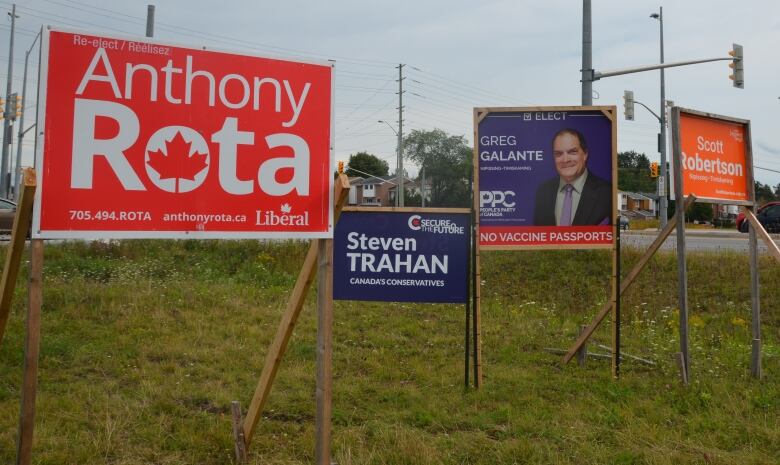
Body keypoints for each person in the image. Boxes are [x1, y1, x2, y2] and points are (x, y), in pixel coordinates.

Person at [533, 128, 612, 226]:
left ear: (585, 154)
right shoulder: (543, 191)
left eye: (572, 152)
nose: (565, 160)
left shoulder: (607, 193)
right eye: (559, 154)